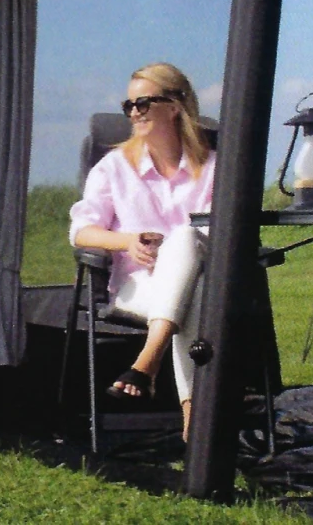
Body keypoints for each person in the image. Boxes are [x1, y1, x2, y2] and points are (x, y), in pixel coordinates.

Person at [69, 62, 214, 439]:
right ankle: (192, 415)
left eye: (143, 103)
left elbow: (221, 232)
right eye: (128, 105)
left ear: (175, 106)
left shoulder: (213, 168)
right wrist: (127, 241)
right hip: (136, 286)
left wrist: (178, 249)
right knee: (194, 296)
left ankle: (147, 365)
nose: (134, 113)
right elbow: (81, 231)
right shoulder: (114, 167)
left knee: (185, 241)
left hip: (202, 282)